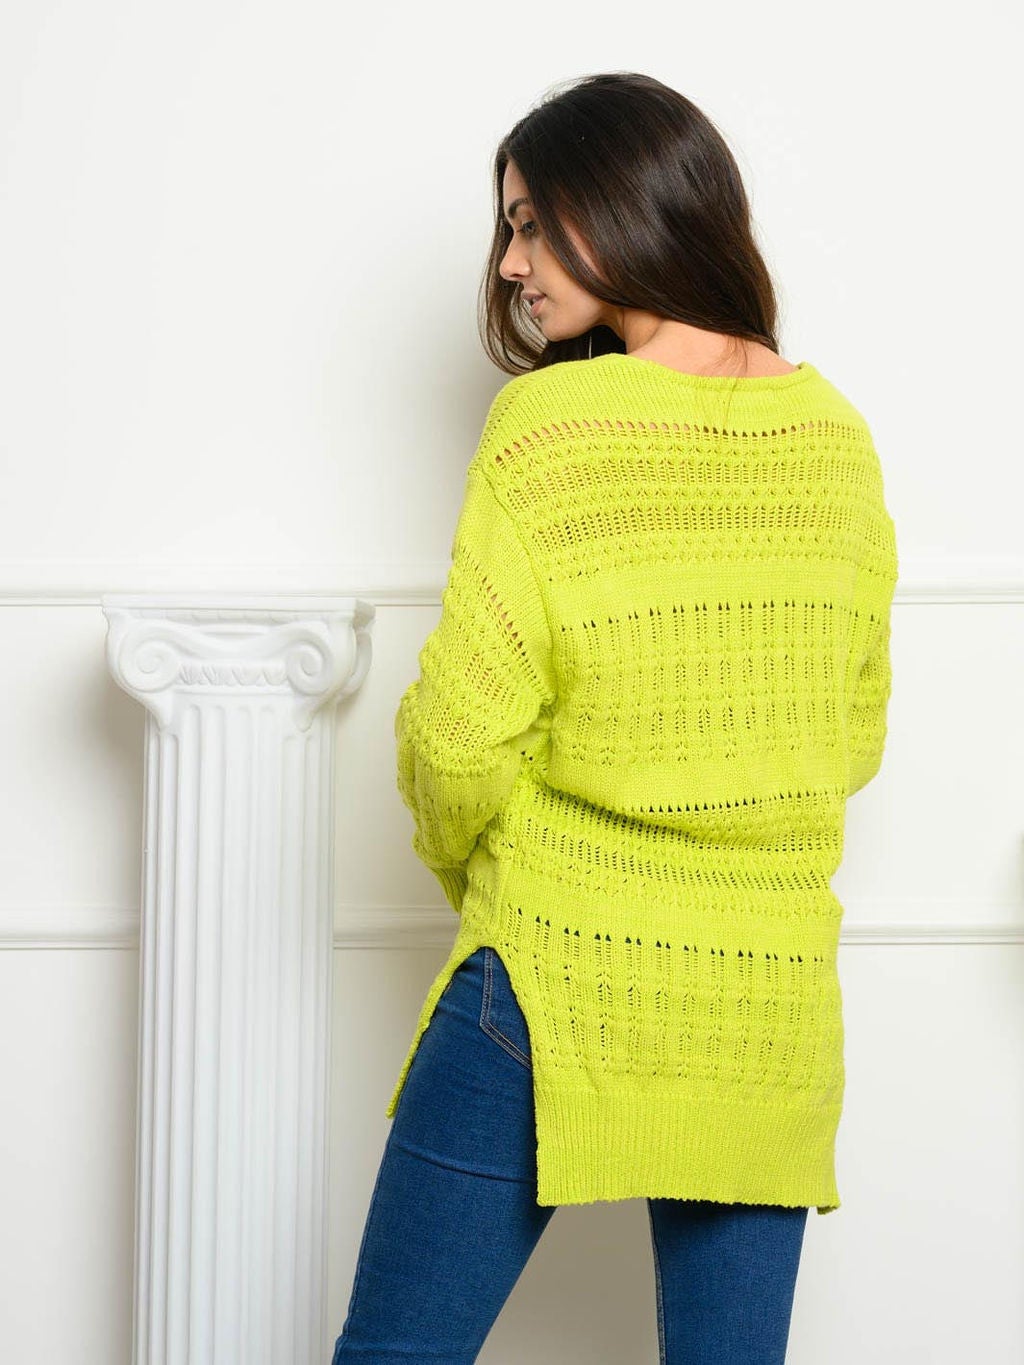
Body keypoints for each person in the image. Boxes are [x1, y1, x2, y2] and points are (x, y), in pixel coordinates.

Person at [331, 71, 898, 1365]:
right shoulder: (836, 435)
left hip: (551, 967)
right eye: (509, 229)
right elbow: (854, 737)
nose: (510, 264)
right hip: (763, 1000)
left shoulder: (551, 426)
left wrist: (481, 867)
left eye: (532, 223)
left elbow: (457, 740)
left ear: (623, 203)